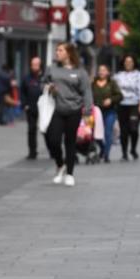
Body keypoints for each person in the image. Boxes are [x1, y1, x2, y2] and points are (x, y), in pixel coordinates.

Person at [43, 43, 93, 186]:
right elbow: (43, 82)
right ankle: (60, 165)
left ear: (69, 53)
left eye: (60, 50)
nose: (57, 52)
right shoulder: (52, 69)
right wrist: (48, 87)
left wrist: (88, 111)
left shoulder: (80, 72)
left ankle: (70, 174)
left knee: (70, 142)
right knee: (53, 140)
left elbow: (86, 91)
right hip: (57, 109)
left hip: (74, 110)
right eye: (57, 50)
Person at [113, 54, 140, 161]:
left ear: (134, 63)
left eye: (130, 62)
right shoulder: (118, 76)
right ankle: (124, 153)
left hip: (134, 104)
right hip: (122, 104)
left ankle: (133, 148)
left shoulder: (139, 75)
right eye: (126, 62)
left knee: (133, 128)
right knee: (123, 130)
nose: (128, 64)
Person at [92, 64, 122, 164]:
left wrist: (111, 99)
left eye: (104, 70)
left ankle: (106, 155)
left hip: (109, 111)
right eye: (100, 70)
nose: (101, 72)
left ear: (108, 72)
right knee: (96, 133)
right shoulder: (93, 83)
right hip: (96, 111)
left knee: (108, 132)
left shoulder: (112, 83)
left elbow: (119, 96)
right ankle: (102, 147)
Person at [20, 56, 44, 160]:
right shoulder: (27, 78)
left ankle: (53, 150)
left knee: (47, 130)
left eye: (36, 65)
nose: (34, 67)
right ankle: (32, 151)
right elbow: (22, 92)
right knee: (31, 130)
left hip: (44, 108)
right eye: (32, 65)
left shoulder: (44, 77)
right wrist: (24, 104)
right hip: (31, 107)